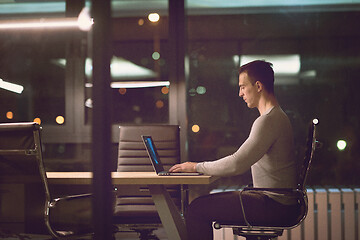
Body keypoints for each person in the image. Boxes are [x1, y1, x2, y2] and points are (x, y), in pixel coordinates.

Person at [169, 60, 301, 240]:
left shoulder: (269, 120)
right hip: (278, 202)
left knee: (196, 210)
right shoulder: (276, 117)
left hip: (274, 204)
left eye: (243, 87)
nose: (240, 93)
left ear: (258, 86)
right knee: (200, 206)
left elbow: (237, 163)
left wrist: (195, 167)